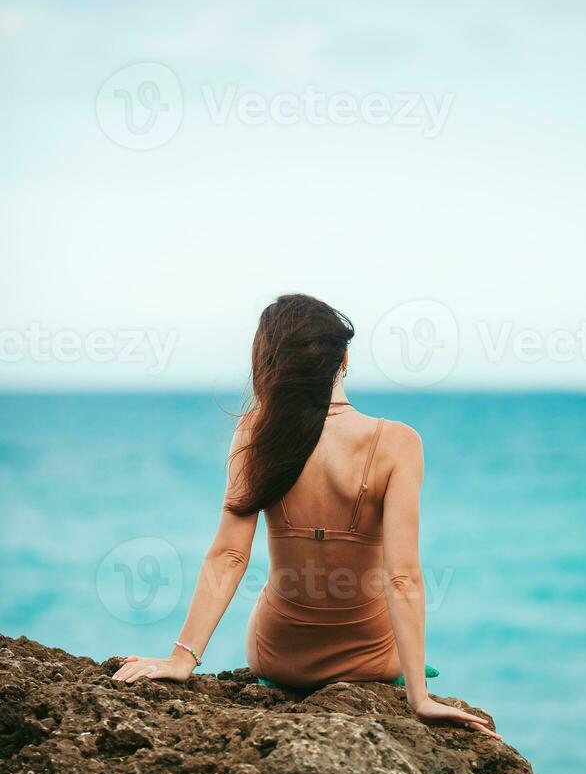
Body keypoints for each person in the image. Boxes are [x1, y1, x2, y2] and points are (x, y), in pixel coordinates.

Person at [112, 294, 499, 740]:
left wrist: (182, 659)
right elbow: (403, 577)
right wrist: (419, 698)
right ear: (345, 359)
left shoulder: (255, 431)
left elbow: (229, 556)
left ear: (270, 366)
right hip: (373, 660)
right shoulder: (398, 442)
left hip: (279, 659)